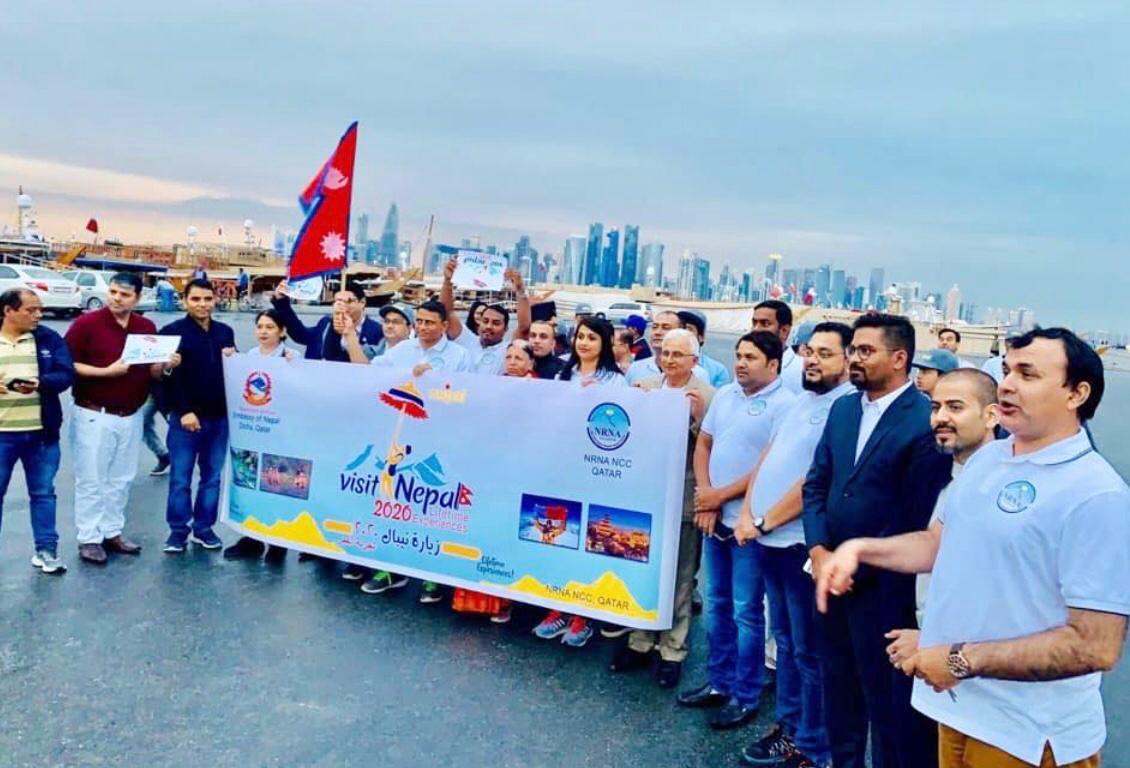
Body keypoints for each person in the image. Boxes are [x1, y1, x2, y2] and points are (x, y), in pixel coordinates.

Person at [816, 328, 1128, 768]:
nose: (1007, 385)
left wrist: (960, 659)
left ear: (1077, 393)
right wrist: (860, 549)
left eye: (1028, 373)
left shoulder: (1095, 493)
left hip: (1027, 734)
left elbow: (1095, 645)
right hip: (959, 712)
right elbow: (936, 544)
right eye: (1006, 370)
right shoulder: (990, 460)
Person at [802, 313, 952, 768]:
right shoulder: (844, 408)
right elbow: (817, 485)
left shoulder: (922, 421)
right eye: (853, 350)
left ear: (899, 358)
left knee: (889, 712)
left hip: (886, 594)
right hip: (830, 581)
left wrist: (856, 567)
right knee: (838, 696)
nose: (854, 359)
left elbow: (915, 516)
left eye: (866, 351)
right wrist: (821, 553)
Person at [732, 322, 855, 768]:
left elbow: (813, 481)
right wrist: (748, 512)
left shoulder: (846, 409)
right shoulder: (801, 401)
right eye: (809, 351)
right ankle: (789, 727)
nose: (813, 360)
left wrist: (762, 523)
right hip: (768, 541)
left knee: (809, 652)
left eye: (826, 352)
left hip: (800, 547)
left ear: (846, 360)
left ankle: (814, 745)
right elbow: (768, 458)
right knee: (783, 642)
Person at [677, 331, 795, 727]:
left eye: (751, 357)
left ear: (773, 364)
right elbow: (704, 445)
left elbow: (768, 468)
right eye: (739, 355)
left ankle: (745, 694)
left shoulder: (786, 406)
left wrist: (719, 496)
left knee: (747, 612)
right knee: (717, 604)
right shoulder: (726, 395)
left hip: (750, 528)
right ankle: (718, 681)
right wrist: (706, 494)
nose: (740, 363)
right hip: (715, 519)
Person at [611, 328, 714, 688]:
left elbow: (713, 449)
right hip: (644, 497)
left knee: (682, 577)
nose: (669, 360)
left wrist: (697, 418)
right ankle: (639, 641)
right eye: (665, 353)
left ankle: (673, 649)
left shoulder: (708, 396)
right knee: (641, 570)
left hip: (684, 498)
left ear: (694, 360)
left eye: (678, 355)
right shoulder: (647, 389)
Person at [532, 316, 626, 647]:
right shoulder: (562, 374)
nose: (584, 343)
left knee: (587, 544)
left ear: (605, 344)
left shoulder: (616, 381)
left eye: (592, 338)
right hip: (560, 472)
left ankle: (582, 616)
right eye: (580, 337)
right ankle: (557, 607)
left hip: (594, 474)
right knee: (557, 540)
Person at [65, 272, 165, 564]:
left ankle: (112, 531)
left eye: (124, 294)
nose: (116, 298)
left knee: (121, 478)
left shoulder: (145, 327)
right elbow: (66, 363)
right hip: (95, 412)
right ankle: (90, 538)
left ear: (137, 298)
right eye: (112, 292)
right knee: (92, 478)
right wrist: (105, 372)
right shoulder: (87, 324)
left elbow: (153, 371)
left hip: (130, 414)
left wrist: (165, 364)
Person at [159, 279, 236, 554]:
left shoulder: (225, 332)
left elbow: (233, 373)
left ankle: (204, 528)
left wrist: (234, 357)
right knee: (180, 477)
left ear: (215, 300)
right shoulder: (171, 332)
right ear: (184, 301)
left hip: (219, 418)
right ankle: (178, 531)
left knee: (212, 477)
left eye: (207, 299)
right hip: (185, 419)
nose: (202, 305)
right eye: (196, 299)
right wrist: (182, 411)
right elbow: (165, 379)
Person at [0, 289, 73, 574]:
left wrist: (40, 383)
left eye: (40, 309)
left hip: (41, 434)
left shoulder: (48, 338)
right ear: (8, 311)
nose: (38, 315)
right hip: (3, 433)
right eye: (30, 310)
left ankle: (46, 551)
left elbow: (65, 373)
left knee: (43, 493)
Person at [223, 310, 298, 563]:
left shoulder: (292, 357)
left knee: (277, 485)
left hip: (281, 433)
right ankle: (251, 538)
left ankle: (277, 543)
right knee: (250, 484)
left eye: (270, 327)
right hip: (253, 432)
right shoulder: (249, 357)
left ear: (282, 331)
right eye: (260, 326)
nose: (264, 331)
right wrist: (231, 361)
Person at [441, 257, 530, 375]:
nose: (489, 326)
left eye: (496, 323)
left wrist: (520, 290)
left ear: (506, 329)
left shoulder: (508, 350)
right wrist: (447, 280)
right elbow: (446, 313)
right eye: (485, 321)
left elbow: (524, 328)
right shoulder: (466, 339)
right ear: (479, 323)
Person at [271, 279, 383, 362]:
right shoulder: (326, 324)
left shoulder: (376, 331)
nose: (342, 306)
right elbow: (300, 334)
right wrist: (281, 302)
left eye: (348, 301)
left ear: (362, 302)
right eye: (338, 301)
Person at [371, 299, 472, 375]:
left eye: (429, 323)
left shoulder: (460, 355)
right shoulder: (401, 348)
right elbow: (371, 369)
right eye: (419, 321)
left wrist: (436, 379)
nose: (422, 327)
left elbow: (464, 390)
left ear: (444, 326)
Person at [625, 311, 708, 385]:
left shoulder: (698, 374)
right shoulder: (636, 368)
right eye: (654, 327)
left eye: (666, 328)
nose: (657, 332)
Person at [753, 300, 803, 394]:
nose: (756, 329)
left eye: (765, 323)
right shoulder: (746, 364)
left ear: (784, 331)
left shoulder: (801, 371)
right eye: (754, 323)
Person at [677, 310, 732, 388]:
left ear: (701, 337)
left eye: (689, 329)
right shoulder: (661, 363)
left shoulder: (718, 371)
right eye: (679, 328)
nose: (682, 333)